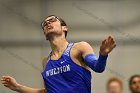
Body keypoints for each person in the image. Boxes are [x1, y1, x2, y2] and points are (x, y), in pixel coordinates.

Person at [1, 15, 116, 93]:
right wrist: (17, 87)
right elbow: (47, 91)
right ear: (44, 34)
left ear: (64, 28)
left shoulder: (79, 47)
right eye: (44, 24)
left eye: (52, 20)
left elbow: (98, 67)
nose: (47, 23)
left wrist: (103, 55)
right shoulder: (46, 62)